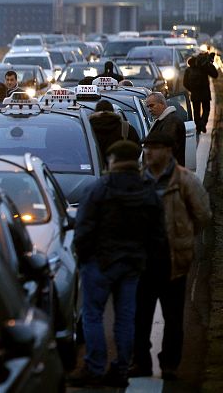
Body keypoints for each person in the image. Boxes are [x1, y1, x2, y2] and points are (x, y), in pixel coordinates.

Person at [68, 141, 166, 388]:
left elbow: (83, 227)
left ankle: (94, 366)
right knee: (125, 318)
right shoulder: (148, 190)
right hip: (132, 263)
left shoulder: (99, 188)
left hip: (99, 261)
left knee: (92, 316)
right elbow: (158, 233)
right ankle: (122, 367)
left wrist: (85, 256)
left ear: (112, 160)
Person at [130, 131, 211, 380]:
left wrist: (183, 236)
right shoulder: (138, 180)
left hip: (173, 259)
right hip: (143, 260)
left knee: (173, 316)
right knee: (140, 316)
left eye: (154, 147)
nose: (148, 152)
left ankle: (169, 364)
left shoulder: (185, 180)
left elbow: (202, 215)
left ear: (168, 150)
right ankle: (141, 361)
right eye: (146, 147)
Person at [89, 99, 140, 164]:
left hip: (91, 169)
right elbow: (137, 150)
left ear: (95, 112)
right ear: (113, 111)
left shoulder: (85, 128)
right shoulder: (126, 128)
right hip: (120, 169)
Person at [145, 92, 186, 166]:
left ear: (162, 104)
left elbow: (165, 148)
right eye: (147, 107)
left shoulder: (171, 122)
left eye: (151, 106)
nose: (149, 110)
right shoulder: (165, 120)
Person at [183, 52, 218, 133]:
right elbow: (215, 75)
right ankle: (203, 123)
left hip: (195, 94)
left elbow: (185, 83)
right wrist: (209, 64)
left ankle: (198, 127)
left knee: (196, 111)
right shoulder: (204, 68)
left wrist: (192, 90)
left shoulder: (189, 70)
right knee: (206, 109)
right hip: (205, 93)